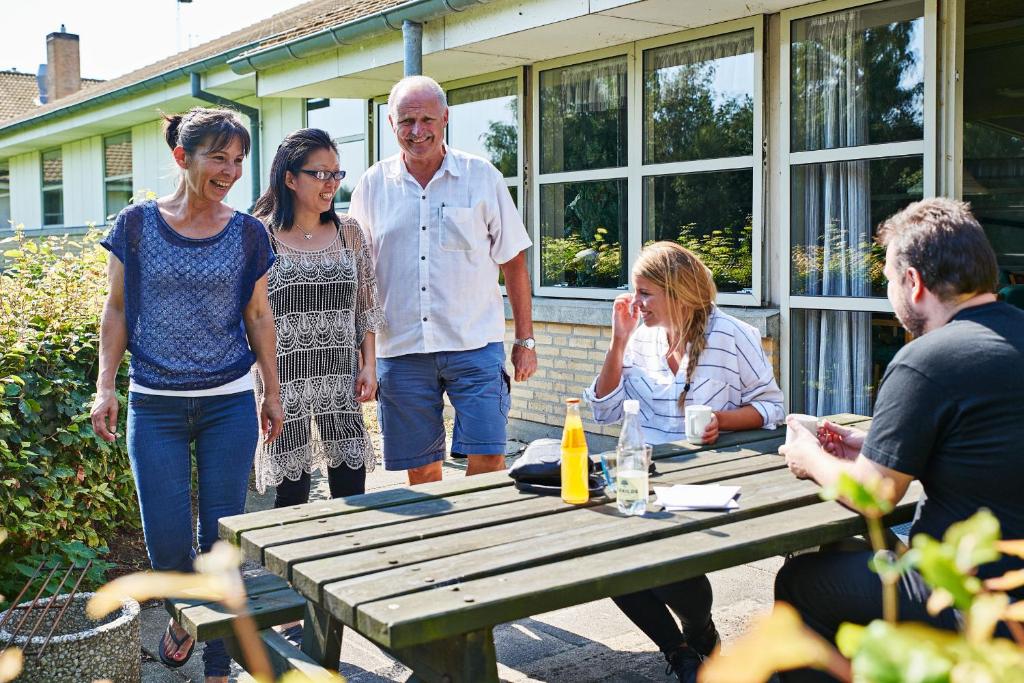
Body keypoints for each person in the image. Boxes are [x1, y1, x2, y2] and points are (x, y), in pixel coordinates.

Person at [775, 197, 1024, 682]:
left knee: (802, 583)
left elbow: (874, 497)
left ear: (913, 283)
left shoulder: (926, 360)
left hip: (971, 593)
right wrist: (874, 443)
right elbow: (982, 439)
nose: (887, 291)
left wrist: (808, 457)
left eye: (888, 278)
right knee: (855, 560)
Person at [90, 107, 283, 683]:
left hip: (228, 401)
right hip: (154, 404)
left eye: (238, 159)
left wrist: (271, 391)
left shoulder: (248, 232)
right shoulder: (137, 224)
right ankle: (183, 619)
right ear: (183, 157)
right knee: (168, 544)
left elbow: (258, 314)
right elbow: (118, 309)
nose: (230, 170)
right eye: (218, 157)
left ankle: (219, 663)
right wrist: (106, 387)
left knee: (220, 541)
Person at [585, 241, 785, 682]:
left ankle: (699, 631)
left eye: (645, 293)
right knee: (602, 551)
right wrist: (617, 343)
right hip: (645, 477)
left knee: (662, 551)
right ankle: (680, 650)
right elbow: (603, 411)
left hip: (711, 482)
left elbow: (773, 407)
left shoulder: (731, 335)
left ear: (678, 292)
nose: (636, 303)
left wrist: (722, 420)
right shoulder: (638, 338)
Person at [348, 75, 536, 485]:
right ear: (391, 125)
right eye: (406, 121)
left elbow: (514, 260)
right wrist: (365, 356)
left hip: (475, 347)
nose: (418, 131)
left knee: (488, 464)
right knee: (422, 471)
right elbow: (359, 276)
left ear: (446, 118)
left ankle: (482, 547)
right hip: (401, 351)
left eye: (427, 119)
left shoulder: (481, 176)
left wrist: (525, 341)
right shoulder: (372, 185)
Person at [252, 128, 383, 505]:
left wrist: (369, 365)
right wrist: (266, 387)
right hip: (282, 378)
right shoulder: (261, 236)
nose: (331, 184)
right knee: (291, 493)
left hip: (341, 375)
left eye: (337, 174)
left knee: (350, 486)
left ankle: (350, 558)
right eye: (320, 173)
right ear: (290, 178)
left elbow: (365, 304)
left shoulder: (349, 233)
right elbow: (254, 314)